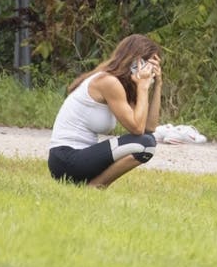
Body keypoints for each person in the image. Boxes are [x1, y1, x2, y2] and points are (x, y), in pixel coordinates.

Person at [48, 34, 164, 188]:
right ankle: (95, 186)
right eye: (148, 64)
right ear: (135, 61)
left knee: (148, 140)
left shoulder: (121, 84)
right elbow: (137, 129)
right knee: (145, 144)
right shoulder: (107, 82)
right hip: (66, 159)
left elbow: (149, 127)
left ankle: (92, 185)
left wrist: (158, 84)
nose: (149, 70)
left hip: (79, 158)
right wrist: (142, 87)